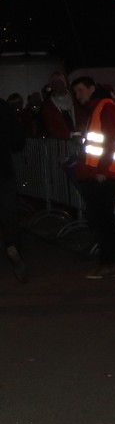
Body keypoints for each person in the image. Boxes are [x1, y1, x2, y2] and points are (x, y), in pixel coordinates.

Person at [70, 76, 115, 279]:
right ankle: (111, 263)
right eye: (76, 92)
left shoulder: (104, 107)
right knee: (103, 220)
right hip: (101, 173)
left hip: (102, 175)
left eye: (80, 90)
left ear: (92, 89)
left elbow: (113, 138)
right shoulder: (101, 107)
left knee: (103, 221)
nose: (78, 95)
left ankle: (110, 263)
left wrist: (102, 169)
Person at [0, 91, 27, 282]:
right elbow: (18, 140)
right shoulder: (3, 107)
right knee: (9, 213)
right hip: (2, 169)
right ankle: (13, 246)